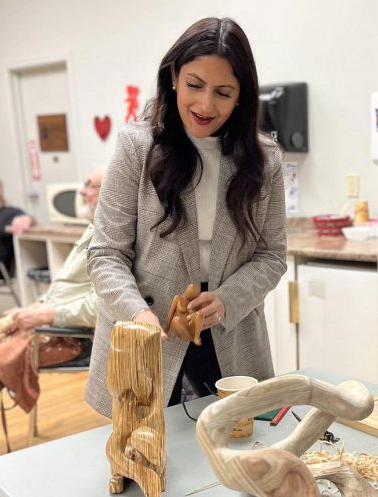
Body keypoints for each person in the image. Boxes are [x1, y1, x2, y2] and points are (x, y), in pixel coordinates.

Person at [85, 17, 287, 418]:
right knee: (145, 461)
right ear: (173, 75)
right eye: (194, 85)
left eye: (224, 92)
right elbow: (105, 254)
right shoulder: (136, 146)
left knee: (240, 455)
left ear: (242, 96)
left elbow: (271, 255)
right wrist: (137, 313)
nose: (205, 105)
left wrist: (227, 301)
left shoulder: (264, 160)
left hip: (231, 336)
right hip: (144, 333)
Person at [0, 167, 105, 465]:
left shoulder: (114, 238)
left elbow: (104, 307)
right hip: (53, 325)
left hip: (79, 338)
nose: (81, 192)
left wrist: (45, 314)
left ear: (109, 193)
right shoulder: (94, 228)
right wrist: (33, 309)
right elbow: (64, 290)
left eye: (90, 186)